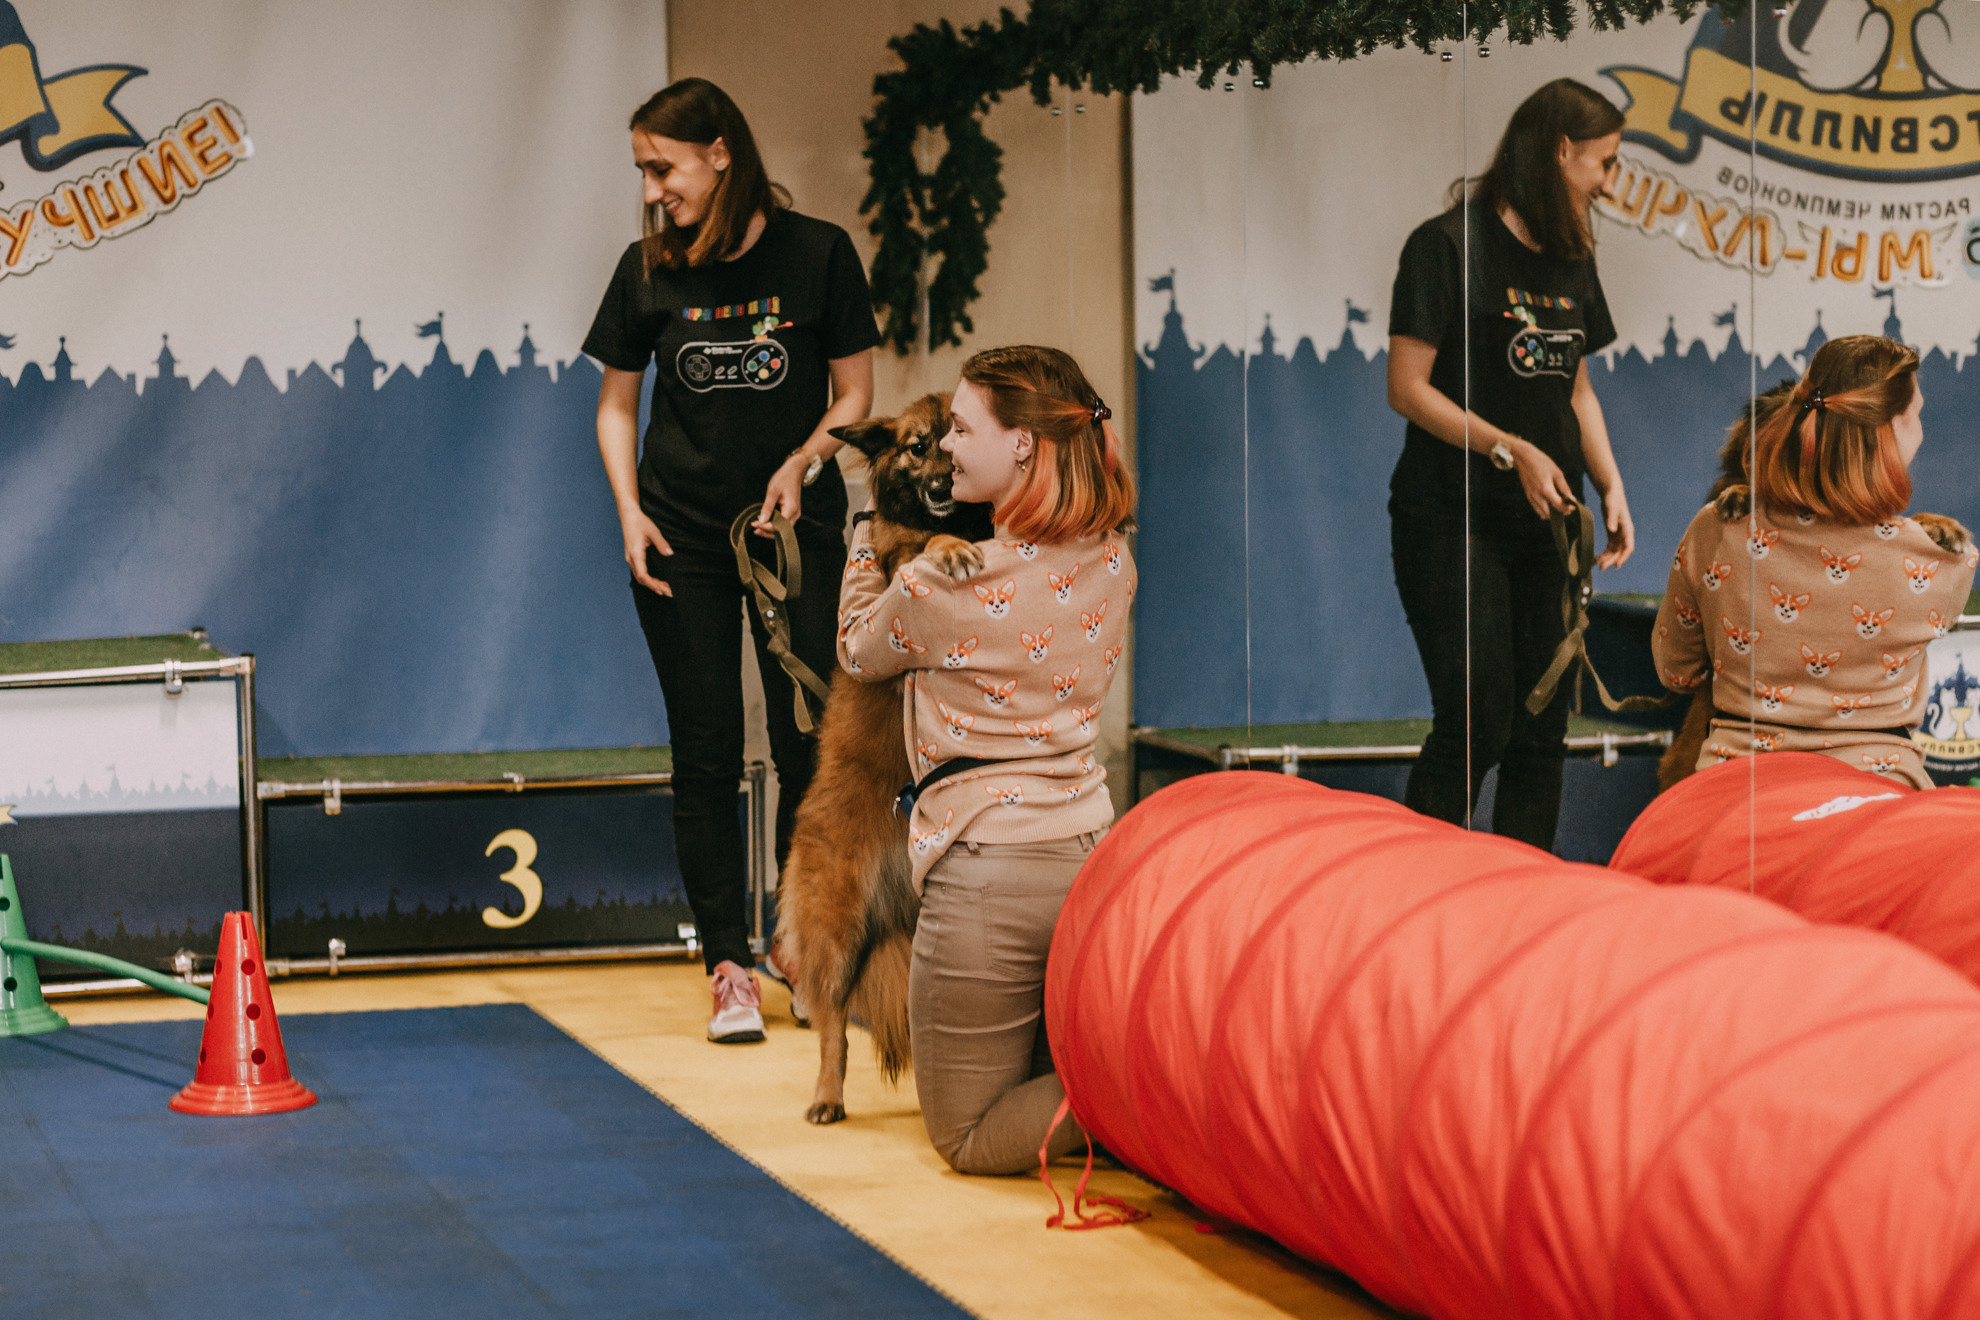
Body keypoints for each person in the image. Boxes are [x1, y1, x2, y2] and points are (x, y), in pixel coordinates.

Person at [583, 78, 879, 1043]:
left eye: (662, 167)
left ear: (721, 154)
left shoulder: (820, 254)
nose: (652, 188)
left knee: (805, 746)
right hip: (680, 537)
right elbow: (619, 404)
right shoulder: (647, 268)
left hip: (794, 534)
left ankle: (798, 944)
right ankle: (727, 962)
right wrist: (629, 511)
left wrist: (804, 461)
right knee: (706, 750)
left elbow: (855, 394)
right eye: (642, 170)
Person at [836, 345, 1136, 1175]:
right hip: (1090, 858)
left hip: (988, 874)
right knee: (1047, 1066)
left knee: (965, 1136)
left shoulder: (942, 587)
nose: (948, 448)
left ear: (1024, 447)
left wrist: (870, 524)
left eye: (963, 430)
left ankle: (1153, 1097)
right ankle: (1145, 1093)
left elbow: (858, 651)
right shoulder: (1115, 560)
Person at [1385, 77, 1634, 851]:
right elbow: (1406, 389)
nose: (1610, 182)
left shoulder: (1572, 255)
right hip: (1451, 517)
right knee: (1477, 715)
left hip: (1545, 524)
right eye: (1604, 163)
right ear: (1561, 153)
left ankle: (1526, 902)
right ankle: (1410, 883)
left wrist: (1610, 481)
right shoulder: (1446, 245)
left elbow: (1578, 389)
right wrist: (1510, 448)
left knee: (1541, 726)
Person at [1653, 336, 1975, 789]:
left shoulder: (1715, 528)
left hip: (1734, 783)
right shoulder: (1943, 559)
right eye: (1917, 416)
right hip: (1876, 782)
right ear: (1891, 431)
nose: (1922, 429)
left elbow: (1675, 671)